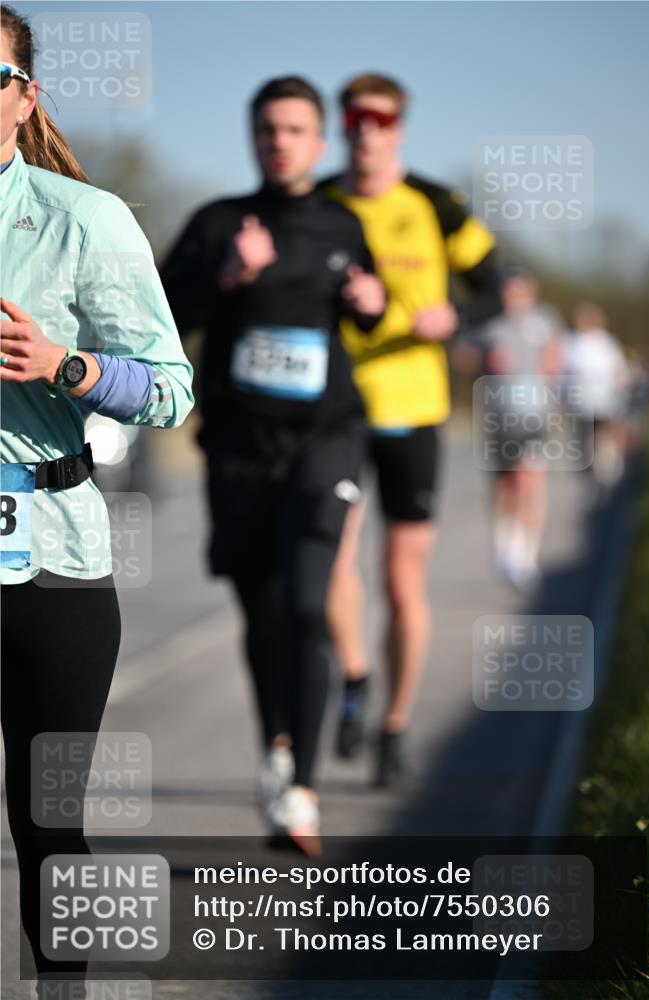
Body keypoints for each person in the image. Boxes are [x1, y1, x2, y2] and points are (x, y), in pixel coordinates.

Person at [0, 5, 194, 997]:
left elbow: (171, 387)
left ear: (23, 97)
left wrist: (64, 364)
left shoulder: (85, 220)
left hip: (55, 559)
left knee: (46, 820)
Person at [160, 76, 384, 853]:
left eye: (293, 130)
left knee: (306, 603)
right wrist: (226, 278)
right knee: (260, 613)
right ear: (252, 138)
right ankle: (277, 752)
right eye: (267, 129)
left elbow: (365, 307)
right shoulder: (219, 224)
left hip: (325, 440)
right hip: (238, 447)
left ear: (317, 143)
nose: (279, 141)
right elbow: (158, 320)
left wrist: (371, 305)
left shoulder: (342, 223)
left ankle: (304, 795)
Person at [324, 73, 502, 784]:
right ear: (342, 127)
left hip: (414, 408)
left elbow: (497, 285)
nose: (366, 130)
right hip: (333, 408)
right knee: (332, 561)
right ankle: (357, 678)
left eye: (381, 119)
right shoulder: (321, 202)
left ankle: (394, 726)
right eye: (355, 118)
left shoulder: (434, 204)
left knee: (401, 583)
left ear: (399, 128)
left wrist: (454, 318)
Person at [469, 268, 564, 588]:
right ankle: (505, 542)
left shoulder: (546, 319)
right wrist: (485, 361)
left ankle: (526, 553)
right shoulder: (489, 322)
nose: (516, 297)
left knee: (531, 478)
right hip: (500, 415)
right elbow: (463, 356)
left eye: (522, 291)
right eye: (510, 291)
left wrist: (553, 362)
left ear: (531, 292)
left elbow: (558, 352)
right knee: (505, 484)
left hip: (536, 414)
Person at [563, 302, 630, 493]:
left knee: (597, 435)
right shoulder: (577, 343)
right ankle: (596, 470)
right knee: (590, 437)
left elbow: (618, 371)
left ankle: (602, 468)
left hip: (597, 399)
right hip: (587, 401)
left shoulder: (600, 343)